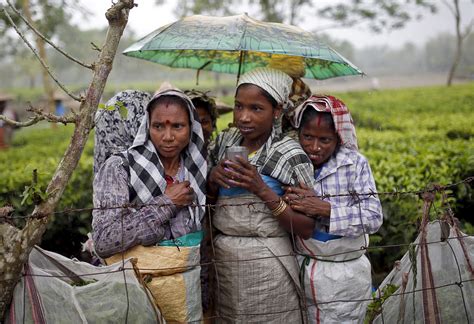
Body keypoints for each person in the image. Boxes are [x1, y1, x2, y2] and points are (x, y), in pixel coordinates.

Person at [207, 67, 317, 323]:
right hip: (225, 262)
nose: (244, 117)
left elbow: (306, 227)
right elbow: (208, 203)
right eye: (238, 106)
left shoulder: (289, 153)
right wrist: (213, 179)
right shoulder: (225, 142)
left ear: (277, 111)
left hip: (268, 263)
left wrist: (260, 188)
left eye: (256, 108)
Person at [91, 88, 207, 321]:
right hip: (135, 290)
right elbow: (104, 240)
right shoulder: (120, 168)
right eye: (158, 126)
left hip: (186, 291)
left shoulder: (196, 168)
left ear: (191, 127)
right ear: (147, 126)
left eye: (177, 126)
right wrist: (166, 203)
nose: (167, 136)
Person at [285, 95, 383, 323]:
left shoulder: (354, 164)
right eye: (307, 137)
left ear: (338, 139)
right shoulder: (291, 162)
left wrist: (325, 209)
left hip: (346, 273)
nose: (314, 147)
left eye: (325, 140)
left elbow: (373, 216)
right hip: (305, 266)